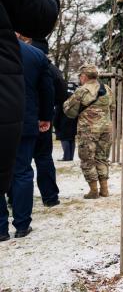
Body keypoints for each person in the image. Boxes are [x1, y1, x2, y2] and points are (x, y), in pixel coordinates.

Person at [0, 0, 59, 198]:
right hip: (28, 120)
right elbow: (52, 86)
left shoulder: (31, 54)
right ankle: (34, 212)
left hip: (23, 119)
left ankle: (3, 225)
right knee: (26, 168)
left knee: (21, 169)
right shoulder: (37, 57)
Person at [0, 36, 54, 241]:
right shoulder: (35, 55)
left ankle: (1, 228)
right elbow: (46, 90)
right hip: (24, 120)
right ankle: (22, 225)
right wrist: (45, 117)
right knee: (22, 171)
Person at [63, 64, 115, 199]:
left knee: (87, 159)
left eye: (80, 76)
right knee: (102, 158)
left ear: (84, 76)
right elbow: (113, 107)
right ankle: (104, 189)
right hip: (106, 129)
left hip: (88, 130)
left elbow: (69, 111)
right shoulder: (107, 89)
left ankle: (93, 191)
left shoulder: (82, 91)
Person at [30, 38, 64, 207]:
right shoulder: (53, 69)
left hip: (24, 116)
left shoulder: (22, 62)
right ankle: (50, 197)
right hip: (43, 118)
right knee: (44, 158)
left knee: (20, 163)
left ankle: (16, 199)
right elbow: (61, 92)